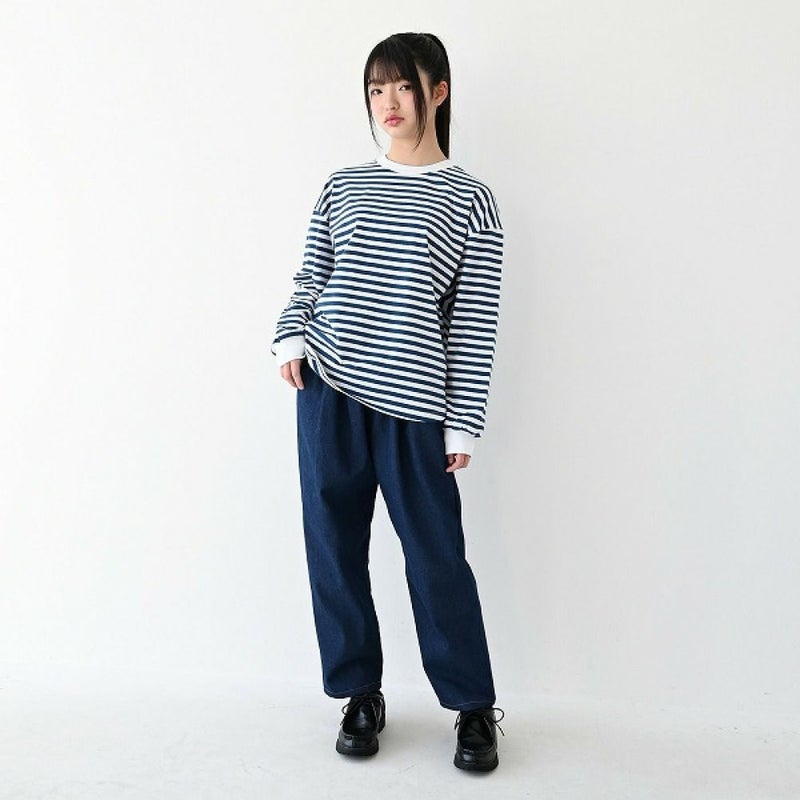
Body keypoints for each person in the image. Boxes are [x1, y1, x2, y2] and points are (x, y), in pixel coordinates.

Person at [271, 32, 505, 772]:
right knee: (333, 547)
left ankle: (472, 706)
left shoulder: (470, 199)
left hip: (414, 404)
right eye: (376, 89)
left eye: (403, 85)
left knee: (437, 557)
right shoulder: (343, 184)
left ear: (438, 91)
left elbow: (472, 322)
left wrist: (463, 421)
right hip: (328, 388)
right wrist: (290, 336)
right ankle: (359, 694)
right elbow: (312, 273)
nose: (388, 102)